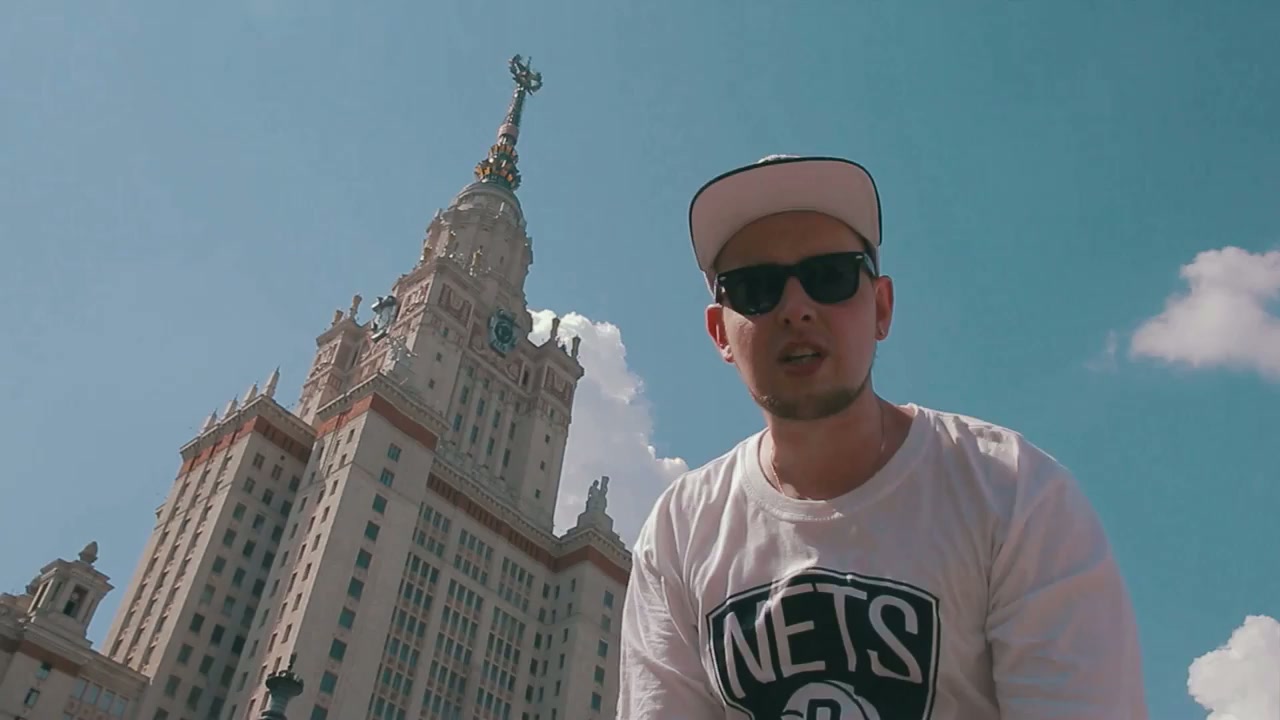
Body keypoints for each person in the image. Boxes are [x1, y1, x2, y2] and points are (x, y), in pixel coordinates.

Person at [617, 155, 1147, 719]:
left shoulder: (1014, 493)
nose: (796, 308)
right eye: (756, 288)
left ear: (882, 308)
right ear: (720, 333)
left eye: (830, 276)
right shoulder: (679, 531)